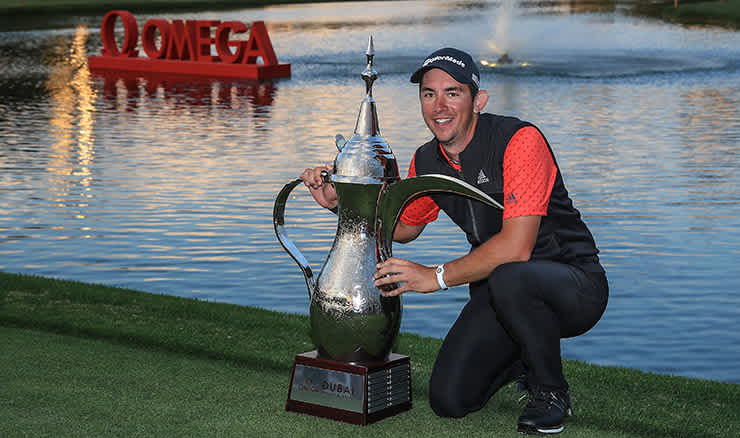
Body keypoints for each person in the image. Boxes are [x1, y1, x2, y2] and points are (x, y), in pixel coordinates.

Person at [300, 47, 608, 435]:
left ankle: (549, 391)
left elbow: (517, 248)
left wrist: (437, 276)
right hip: (500, 293)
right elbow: (406, 228)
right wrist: (340, 204)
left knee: (512, 275)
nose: (439, 106)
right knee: (450, 399)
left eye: (453, 92)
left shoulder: (519, 140)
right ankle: (522, 351)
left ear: (478, 100)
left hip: (574, 286)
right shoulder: (426, 159)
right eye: (429, 94)